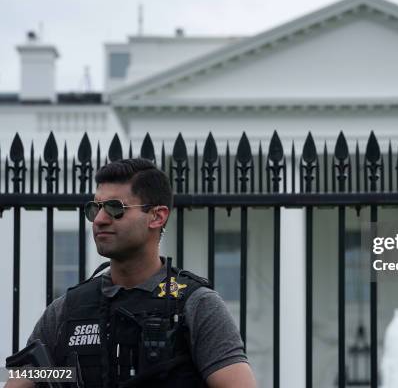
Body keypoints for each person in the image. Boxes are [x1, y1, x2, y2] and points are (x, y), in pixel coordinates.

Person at [5, 158, 256, 388]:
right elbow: (24, 379)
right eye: (95, 208)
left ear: (157, 216)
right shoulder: (67, 310)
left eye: (115, 208)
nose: (100, 219)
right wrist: (65, 374)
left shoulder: (195, 305)